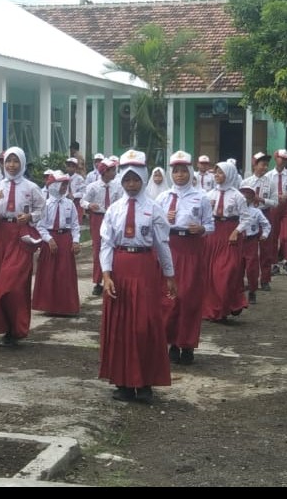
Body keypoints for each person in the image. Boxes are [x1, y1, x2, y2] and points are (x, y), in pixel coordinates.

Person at [99, 149, 177, 405]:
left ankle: (144, 383)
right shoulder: (114, 209)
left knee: (145, 325)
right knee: (120, 326)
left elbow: (162, 244)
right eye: (127, 180)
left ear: (143, 179)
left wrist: (169, 274)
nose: (131, 185)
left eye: (135, 179)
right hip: (120, 268)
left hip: (144, 269)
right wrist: (106, 275)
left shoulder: (154, 209)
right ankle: (122, 382)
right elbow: (106, 244)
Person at [154, 150, 213, 366]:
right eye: (176, 171)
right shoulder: (163, 197)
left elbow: (211, 225)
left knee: (189, 298)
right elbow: (153, 225)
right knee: (170, 298)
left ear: (190, 172)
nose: (179, 175)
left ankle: (187, 344)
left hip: (191, 248)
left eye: (183, 171)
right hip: (170, 247)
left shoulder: (201, 197)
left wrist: (202, 229)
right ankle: (172, 343)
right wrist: (164, 219)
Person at [0, 146, 46, 347]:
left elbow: (42, 210)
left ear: (22, 163)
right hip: (2, 234)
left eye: (15, 161)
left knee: (13, 285)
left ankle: (18, 328)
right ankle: (7, 328)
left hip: (20, 236)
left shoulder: (31, 187)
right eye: (8, 161)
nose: (11, 165)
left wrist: (29, 217)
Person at [202, 161, 251, 322]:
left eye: (221, 172)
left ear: (229, 174)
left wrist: (236, 231)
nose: (217, 175)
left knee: (226, 271)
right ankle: (215, 309)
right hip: (213, 234)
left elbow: (246, 218)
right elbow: (203, 216)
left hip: (230, 233)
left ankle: (227, 304)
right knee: (211, 273)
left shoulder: (237, 196)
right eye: (215, 173)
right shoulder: (209, 195)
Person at [32, 170, 82, 316]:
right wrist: (49, 239)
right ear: (54, 186)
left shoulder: (69, 204)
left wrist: (76, 241)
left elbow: (75, 225)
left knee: (65, 273)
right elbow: (40, 225)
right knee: (49, 273)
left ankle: (66, 306)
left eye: (66, 185)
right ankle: (49, 305)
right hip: (50, 239)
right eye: (62, 184)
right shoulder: (46, 204)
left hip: (65, 239)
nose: (64, 187)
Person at [81, 158, 123, 296]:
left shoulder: (117, 186)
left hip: (113, 217)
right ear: (105, 172)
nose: (115, 173)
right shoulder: (93, 186)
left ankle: (112, 277)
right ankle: (98, 281)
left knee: (114, 246)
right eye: (112, 170)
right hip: (98, 218)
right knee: (98, 248)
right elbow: (83, 201)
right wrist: (89, 205)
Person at [241, 152, 274, 290]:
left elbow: (275, 202)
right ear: (254, 165)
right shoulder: (246, 182)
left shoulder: (270, 182)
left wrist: (262, 200)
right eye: (262, 165)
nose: (265, 168)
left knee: (266, 248)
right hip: (249, 216)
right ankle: (247, 280)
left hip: (264, 213)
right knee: (247, 250)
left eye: (267, 165)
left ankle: (265, 279)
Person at [264, 148, 287, 277]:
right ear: (275, 158)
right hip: (273, 206)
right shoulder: (268, 176)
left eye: (285, 160)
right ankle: (274, 263)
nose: (283, 161)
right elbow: (265, 192)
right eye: (281, 158)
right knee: (273, 235)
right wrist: (275, 196)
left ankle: (286, 260)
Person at [238, 183, 271, 305]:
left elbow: (266, 225)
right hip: (238, 242)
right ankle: (238, 291)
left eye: (248, 196)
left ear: (252, 198)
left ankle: (252, 290)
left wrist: (265, 234)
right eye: (243, 195)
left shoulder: (256, 212)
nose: (245, 198)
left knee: (252, 268)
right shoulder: (235, 211)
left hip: (251, 241)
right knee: (237, 267)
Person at [65, 157, 86, 223]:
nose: (70, 168)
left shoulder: (79, 178)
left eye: (73, 166)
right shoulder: (63, 177)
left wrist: (73, 195)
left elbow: (83, 192)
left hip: (76, 202)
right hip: (65, 201)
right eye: (68, 166)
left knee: (75, 221)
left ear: (76, 168)